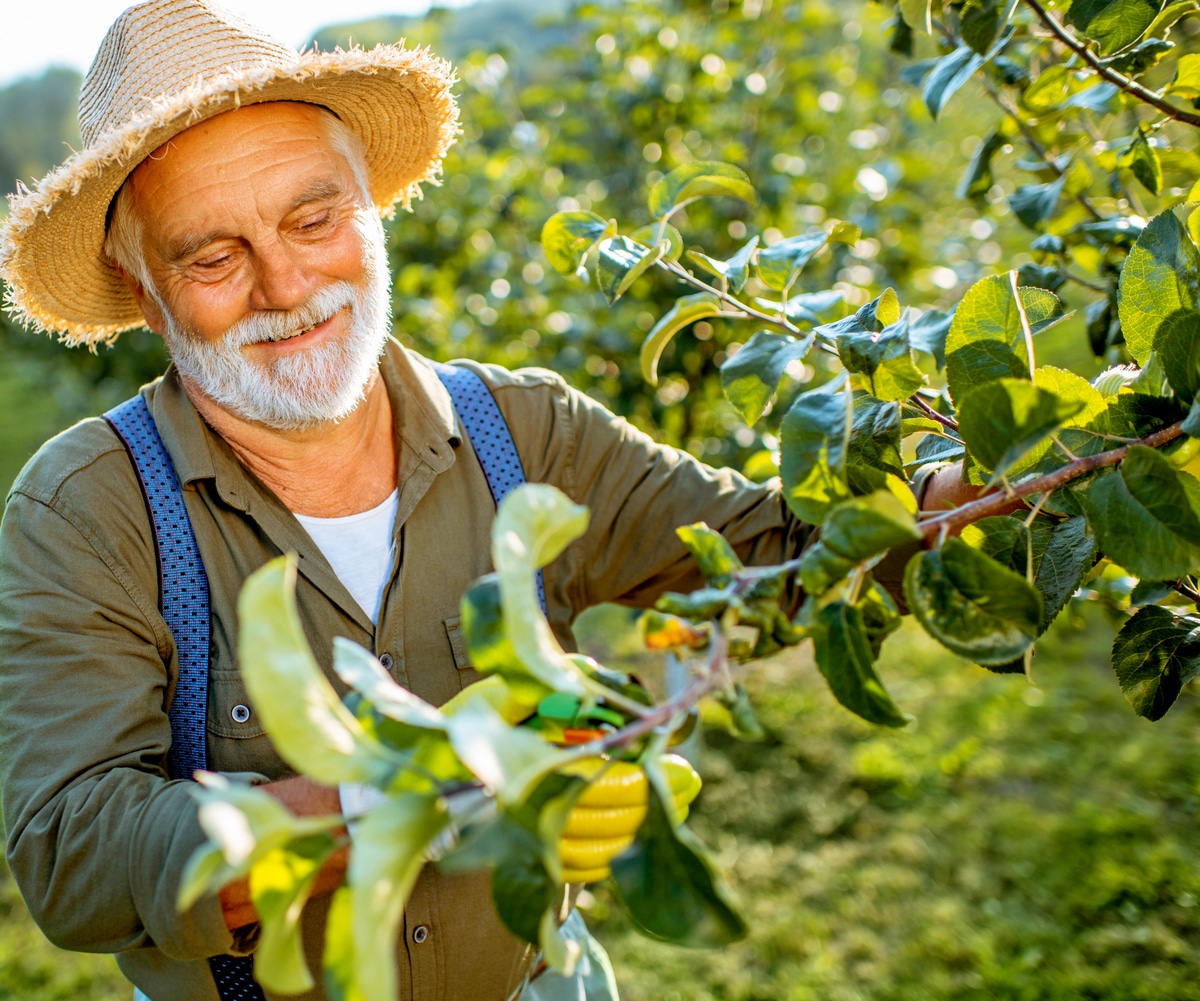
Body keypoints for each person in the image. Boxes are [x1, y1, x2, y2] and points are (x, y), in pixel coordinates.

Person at [0, 3, 814, 1000]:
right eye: (212, 257)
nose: (286, 283)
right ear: (142, 285)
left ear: (370, 205)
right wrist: (406, 784)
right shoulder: (89, 508)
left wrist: (1003, 490)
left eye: (314, 216)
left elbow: (777, 552)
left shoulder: (529, 431)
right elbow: (69, 852)